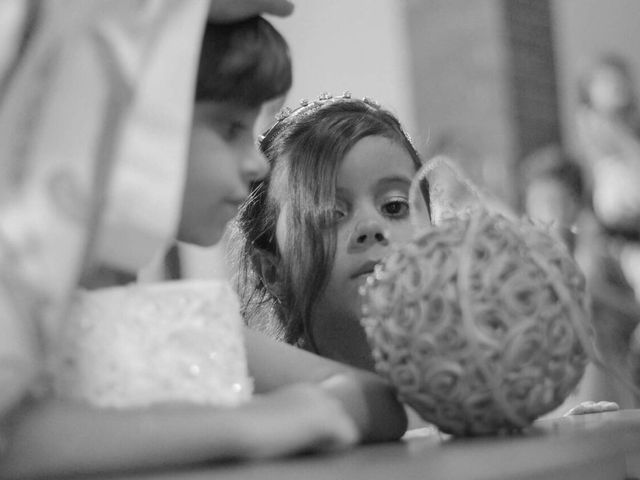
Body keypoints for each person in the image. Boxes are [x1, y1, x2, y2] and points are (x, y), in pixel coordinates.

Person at [0, 3, 407, 479]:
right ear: (138, 121)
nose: (256, 164)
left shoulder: (180, 321)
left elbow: (382, 404)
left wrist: (312, 408)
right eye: (231, 128)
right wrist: (255, 426)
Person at [233, 92, 429, 372]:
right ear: (271, 270)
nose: (371, 226)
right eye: (329, 214)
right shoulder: (270, 411)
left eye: (394, 207)